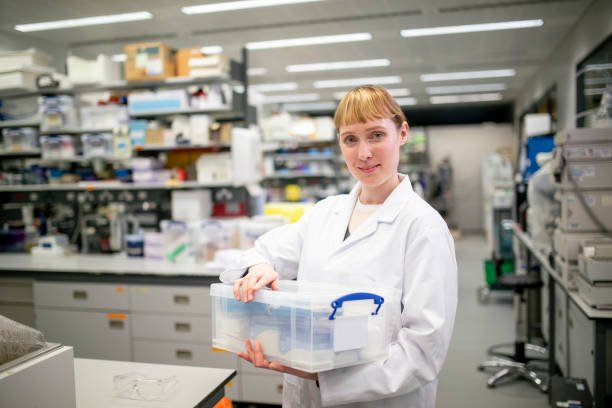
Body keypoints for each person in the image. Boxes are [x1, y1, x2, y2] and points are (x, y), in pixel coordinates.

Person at [220, 85, 458, 407]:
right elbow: (258, 253)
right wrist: (260, 268)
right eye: (350, 139)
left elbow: (423, 351)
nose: (363, 153)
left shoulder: (423, 227)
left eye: (376, 135)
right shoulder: (325, 212)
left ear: (402, 133)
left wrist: (321, 376)